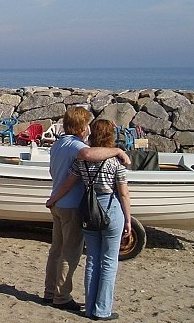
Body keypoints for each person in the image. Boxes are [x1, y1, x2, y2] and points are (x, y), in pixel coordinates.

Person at [42, 106, 130, 311]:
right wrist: (118, 150)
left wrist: (54, 197)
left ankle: (49, 292)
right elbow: (89, 153)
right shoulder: (76, 146)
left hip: (57, 204)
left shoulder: (57, 145)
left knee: (56, 250)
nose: (89, 129)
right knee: (69, 253)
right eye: (87, 125)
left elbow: (53, 171)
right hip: (72, 206)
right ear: (81, 127)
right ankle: (61, 296)